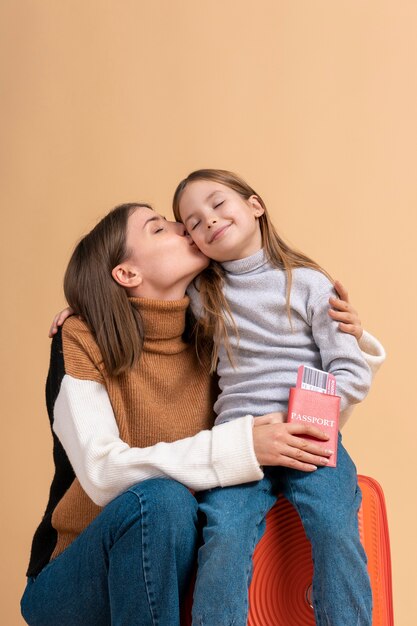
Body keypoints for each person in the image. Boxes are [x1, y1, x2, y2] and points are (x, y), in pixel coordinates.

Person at [20, 202, 383, 626]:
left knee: (206, 509)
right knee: (161, 499)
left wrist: (348, 338)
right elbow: (102, 474)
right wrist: (243, 445)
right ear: (127, 274)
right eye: (159, 228)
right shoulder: (82, 338)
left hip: (171, 570)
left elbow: (300, 427)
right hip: (74, 581)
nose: (183, 228)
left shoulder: (212, 336)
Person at [173, 169, 385, 626]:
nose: (207, 221)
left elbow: (350, 372)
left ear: (255, 205)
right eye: (191, 222)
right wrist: (85, 310)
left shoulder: (309, 283)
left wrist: (300, 417)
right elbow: (140, 308)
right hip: (240, 441)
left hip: (308, 433)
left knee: (335, 526)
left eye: (217, 204)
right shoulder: (201, 297)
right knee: (224, 535)